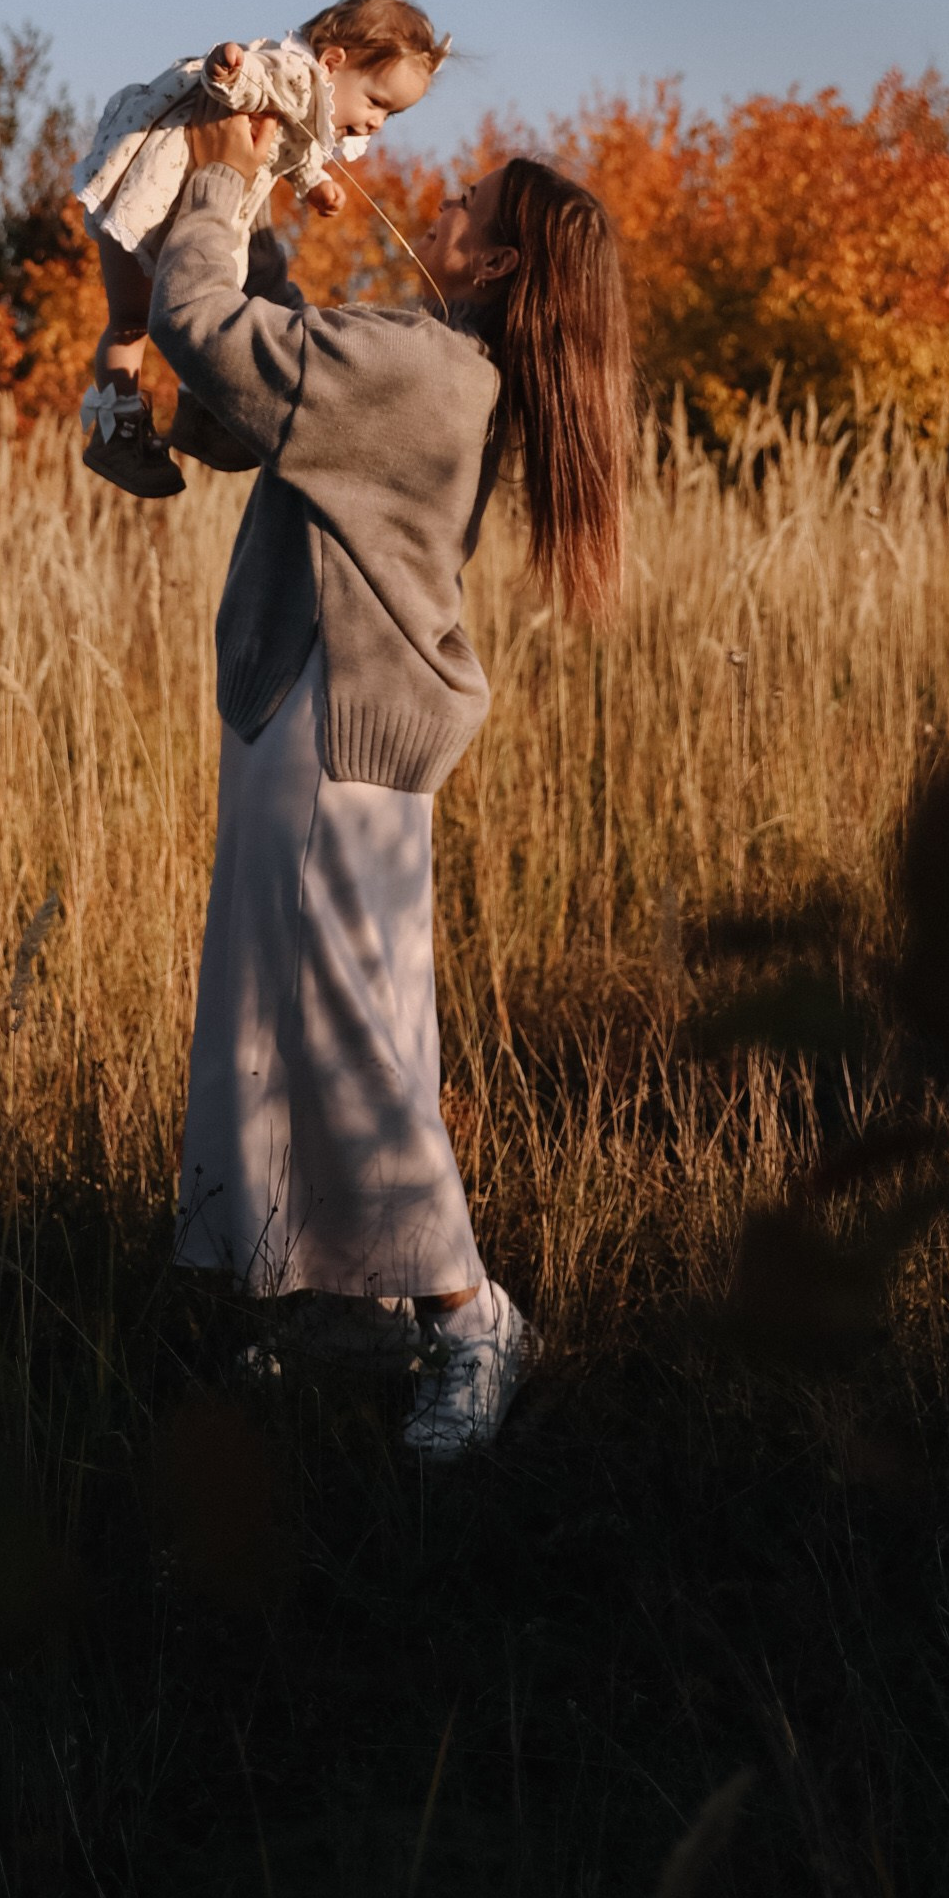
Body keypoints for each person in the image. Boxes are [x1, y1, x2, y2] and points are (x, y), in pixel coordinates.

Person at [150, 121, 632, 1458]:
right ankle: (341, 1310)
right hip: (322, 711)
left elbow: (205, 334)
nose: (437, 206)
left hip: (331, 718)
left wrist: (221, 177)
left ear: (500, 261)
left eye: (465, 204)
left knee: (348, 1034)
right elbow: (263, 394)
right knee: (306, 1015)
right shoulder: (432, 365)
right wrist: (261, 223)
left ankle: (470, 1315)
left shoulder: (424, 369)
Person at [70, 0, 449, 498]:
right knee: (132, 320)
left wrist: (314, 183)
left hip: (193, 204)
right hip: (147, 197)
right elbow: (250, 83)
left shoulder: (313, 104)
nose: (378, 122)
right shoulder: (291, 73)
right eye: (377, 102)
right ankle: (117, 432)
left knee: (215, 300)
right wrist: (230, 70)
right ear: (332, 63)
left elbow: (297, 147)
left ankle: (203, 412)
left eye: (391, 114)